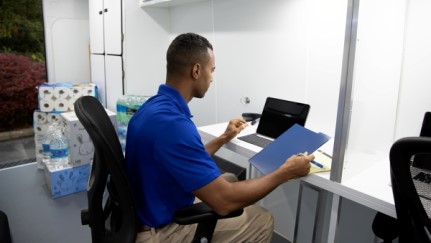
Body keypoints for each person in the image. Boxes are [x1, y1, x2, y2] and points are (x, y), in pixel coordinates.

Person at [125, 33, 314, 243]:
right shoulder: (174, 125)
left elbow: (183, 158)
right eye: (211, 70)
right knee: (262, 218)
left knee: (230, 178)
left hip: (146, 209)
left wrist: (224, 138)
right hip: (160, 231)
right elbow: (224, 201)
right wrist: (286, 172)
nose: (212, 78)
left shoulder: (154, 108)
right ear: (196, 70)